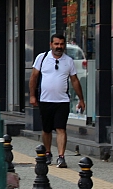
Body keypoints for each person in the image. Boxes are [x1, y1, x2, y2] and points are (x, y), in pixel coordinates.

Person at [29, 34, 85, 169]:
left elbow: (75, 80)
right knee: (47, 129)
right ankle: (48, 153)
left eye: (61, 44)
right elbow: (33, 77)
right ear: (51, 45)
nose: (59, 47)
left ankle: (61, 156)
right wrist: (32, 96)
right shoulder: (42, 58)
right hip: (45, 100)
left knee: (61, 128)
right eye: (56, 44)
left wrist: (81, 99)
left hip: (62, 101)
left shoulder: (69, 61)